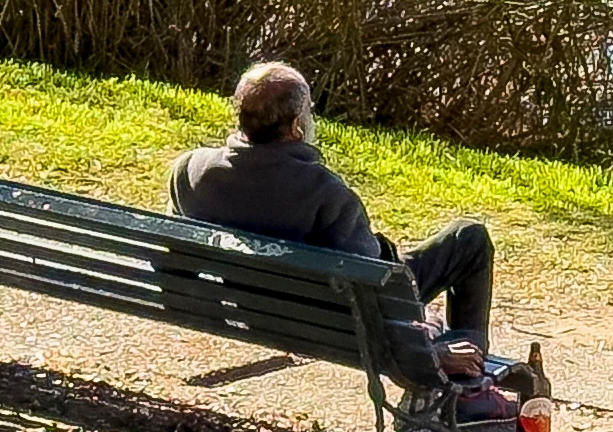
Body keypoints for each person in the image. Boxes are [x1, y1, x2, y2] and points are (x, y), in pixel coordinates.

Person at [168, 61, 494, 353]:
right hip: (326, 324)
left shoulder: (189, 171)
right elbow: (377, 286)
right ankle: (470, 377)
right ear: (296, 125)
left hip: (252, 311)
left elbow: (173, 261)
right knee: (469, 238)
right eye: (310, 110)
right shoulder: (325, 194)